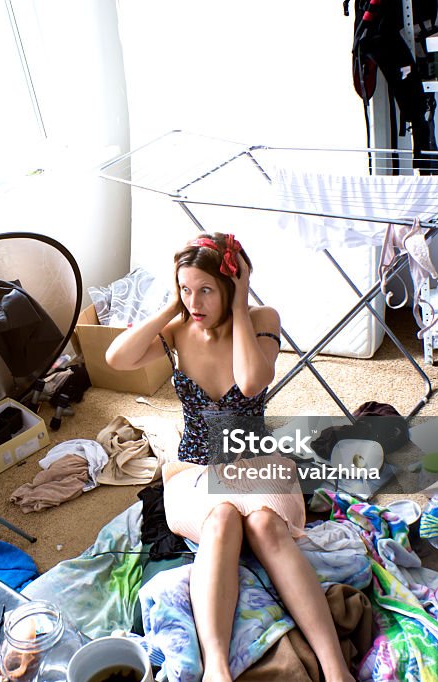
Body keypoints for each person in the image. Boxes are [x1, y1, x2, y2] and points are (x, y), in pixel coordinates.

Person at [106, 233, 354, 682]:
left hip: (252, 459)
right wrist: (170, 309)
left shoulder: (262, 318)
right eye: (186, 289)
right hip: (195, 469)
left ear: (231, 285)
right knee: (221, 518)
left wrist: (240, 306)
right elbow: (116, 358)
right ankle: (216, 669)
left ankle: (335, 668)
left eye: (206, 290)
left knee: (262, 524)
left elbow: (252, 380)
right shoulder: (177, 329)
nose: (194, 301)